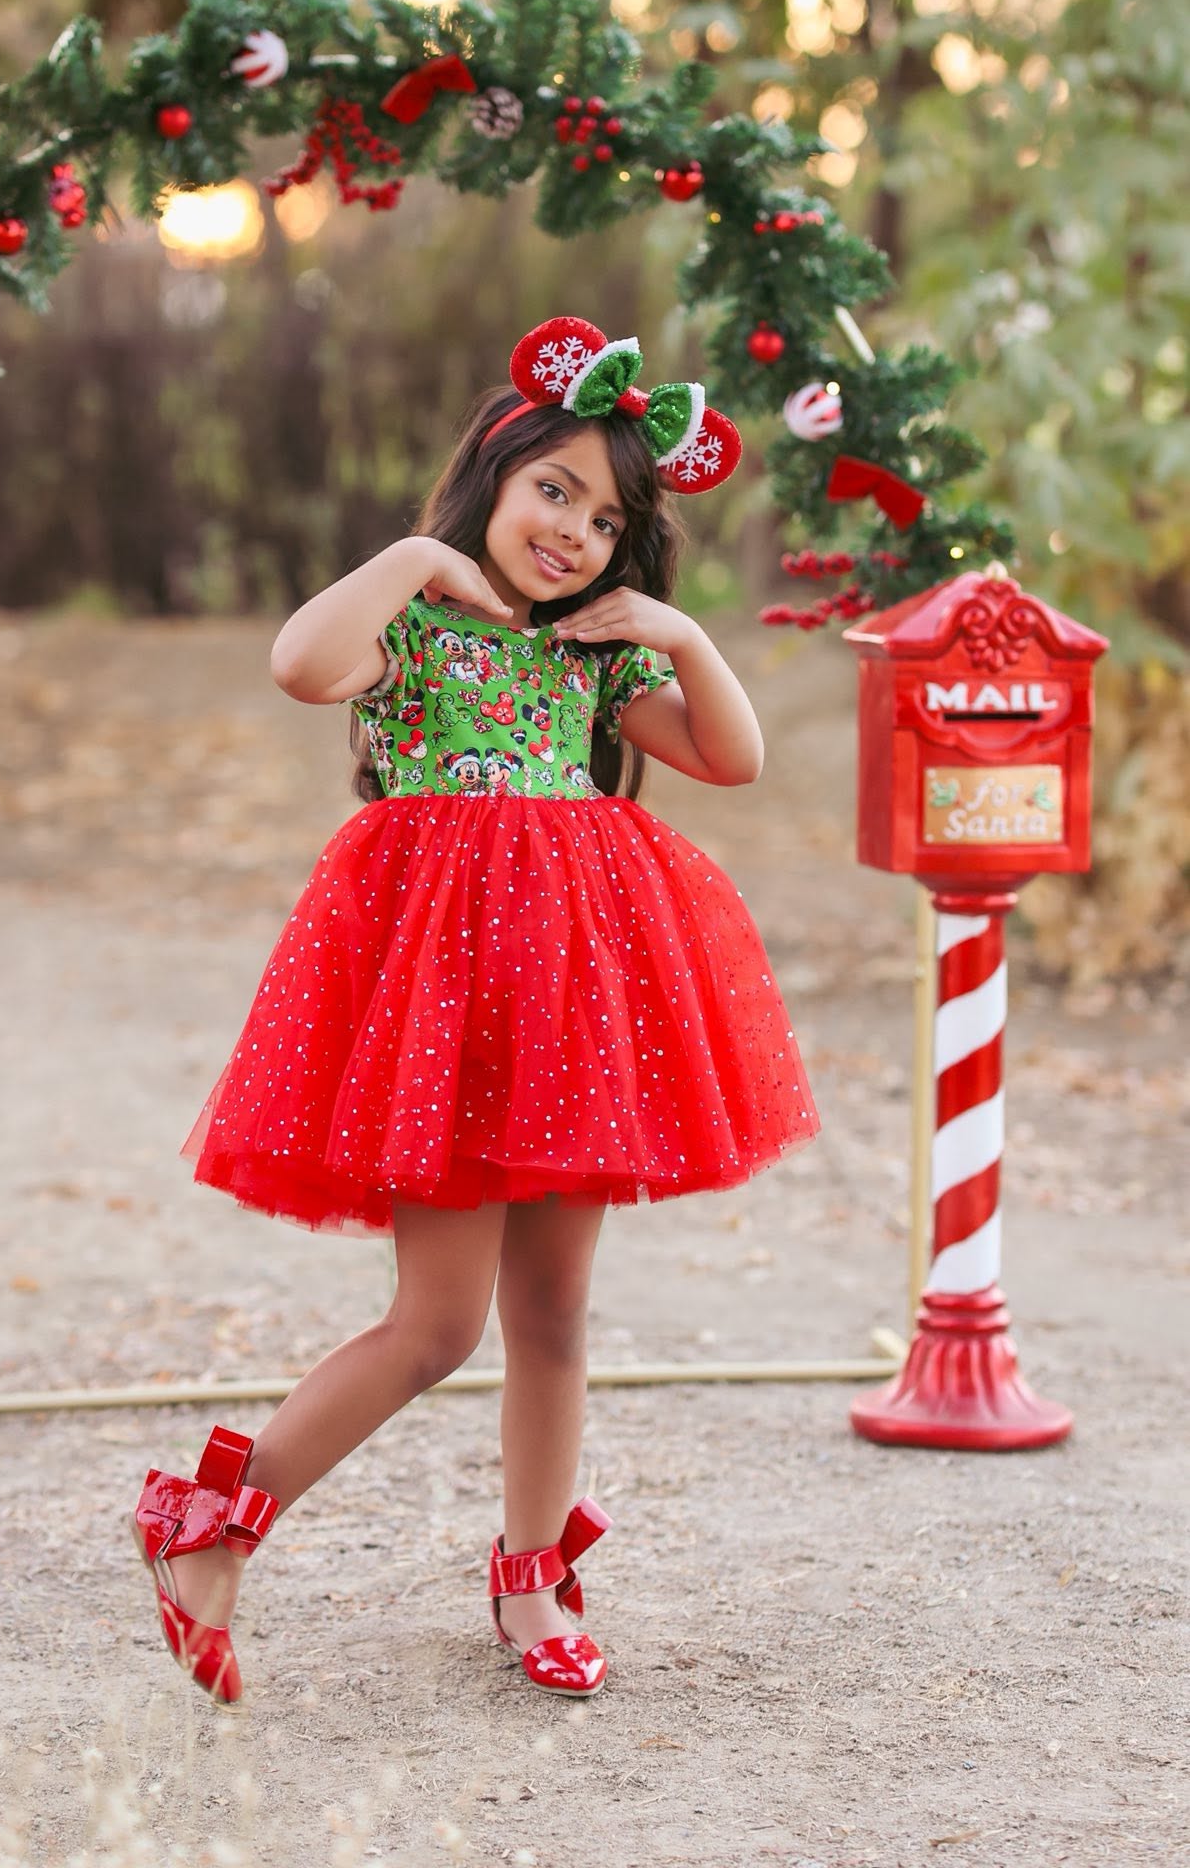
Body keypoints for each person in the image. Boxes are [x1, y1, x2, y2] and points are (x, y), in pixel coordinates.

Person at [130, 316, 820, 1706]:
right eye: (549, 490)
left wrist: (677, 627)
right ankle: (212, 1524)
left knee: (554, 1316)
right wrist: (416, 559)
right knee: (438, 1323)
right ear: (493, 481)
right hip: (440, 1015)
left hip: (574, 1008)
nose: (569, 531)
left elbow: (731, 760)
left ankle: (533, 1579)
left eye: (606, 518)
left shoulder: (602, 658)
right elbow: (297, 664)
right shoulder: (420, 627)